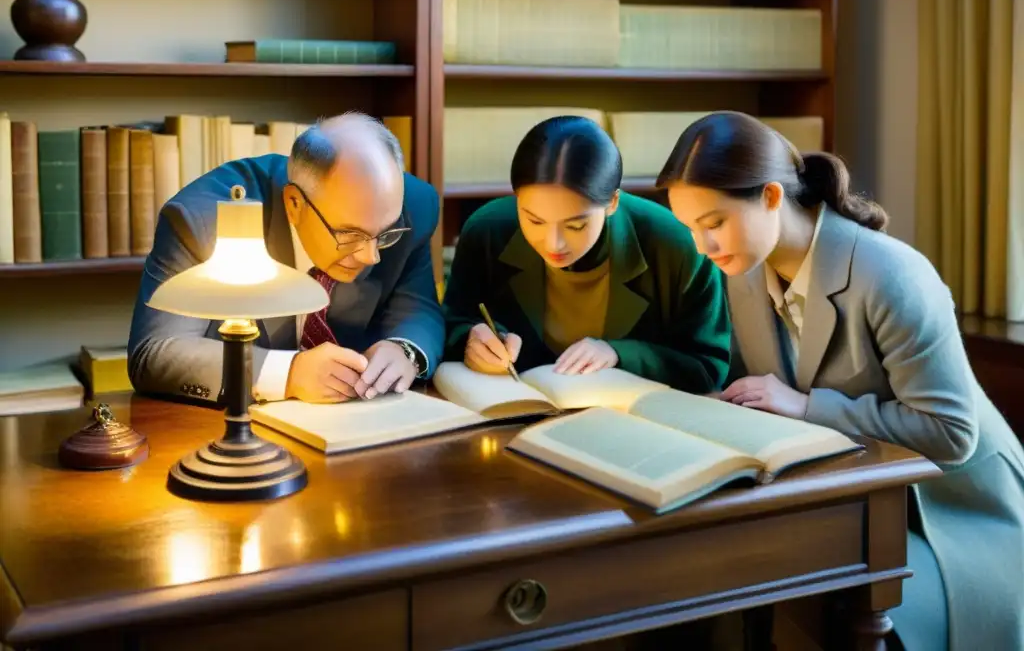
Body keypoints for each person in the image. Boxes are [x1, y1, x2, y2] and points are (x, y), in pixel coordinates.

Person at [657, 110, 1024, 651]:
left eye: (713, 223)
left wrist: (806, 407)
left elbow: (950, 433)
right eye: (691, 228)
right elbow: (760, 384)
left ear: (773, 198)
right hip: (851, 492)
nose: (702, 247)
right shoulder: (745, 270)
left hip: (953, 506)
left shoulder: (893, 275)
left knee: (817, 601)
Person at [128, 112, 444, 406]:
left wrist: (405, 350)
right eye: (350, 234)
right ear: (294, 204)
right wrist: (286, 373)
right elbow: (156, 352)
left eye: (385, 234)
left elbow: (419, 308)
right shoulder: (205, 219)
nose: (371, 255)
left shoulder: (413, 207)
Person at [441, 115, 731, 393]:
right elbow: (453, 320)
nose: (554, 244)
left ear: (612, 203)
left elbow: (709, 366)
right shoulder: (487, 232)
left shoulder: (676, 244)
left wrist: (619, 354)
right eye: (534, 221)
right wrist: (470, 338)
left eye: (576, 225)